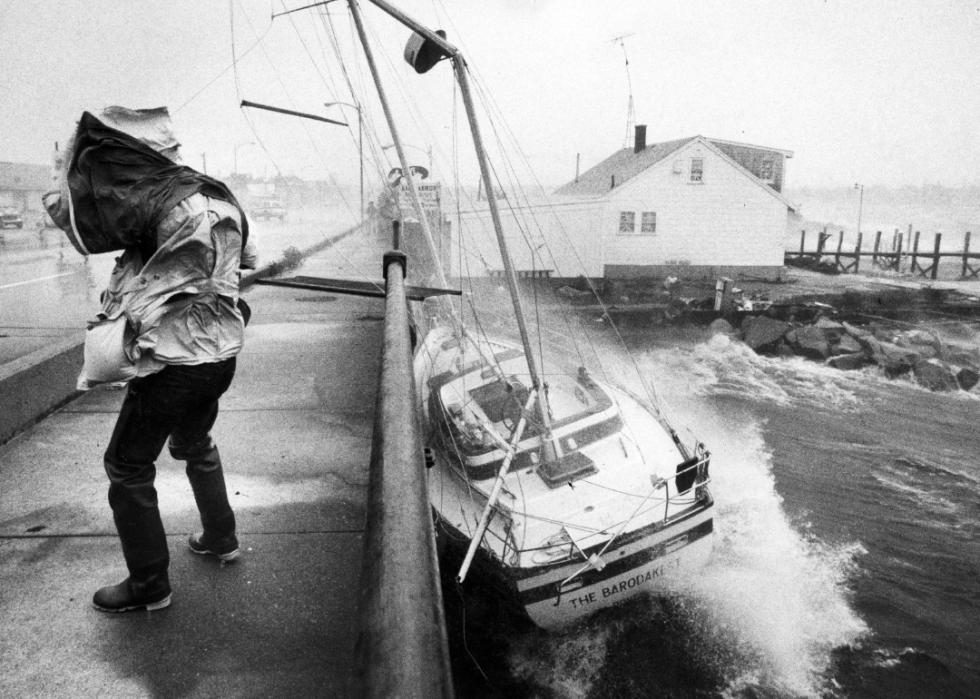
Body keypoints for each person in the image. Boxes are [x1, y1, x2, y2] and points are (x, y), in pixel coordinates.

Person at [44, 107, 258, 613]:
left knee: (127, 464)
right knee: (194, 442)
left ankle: (148, 585)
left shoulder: (155, 204)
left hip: (174, 362)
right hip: (221, 355)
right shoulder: (220, 196)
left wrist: (63, 168)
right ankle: (219, 538)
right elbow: (246, 263)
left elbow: (76, 224)